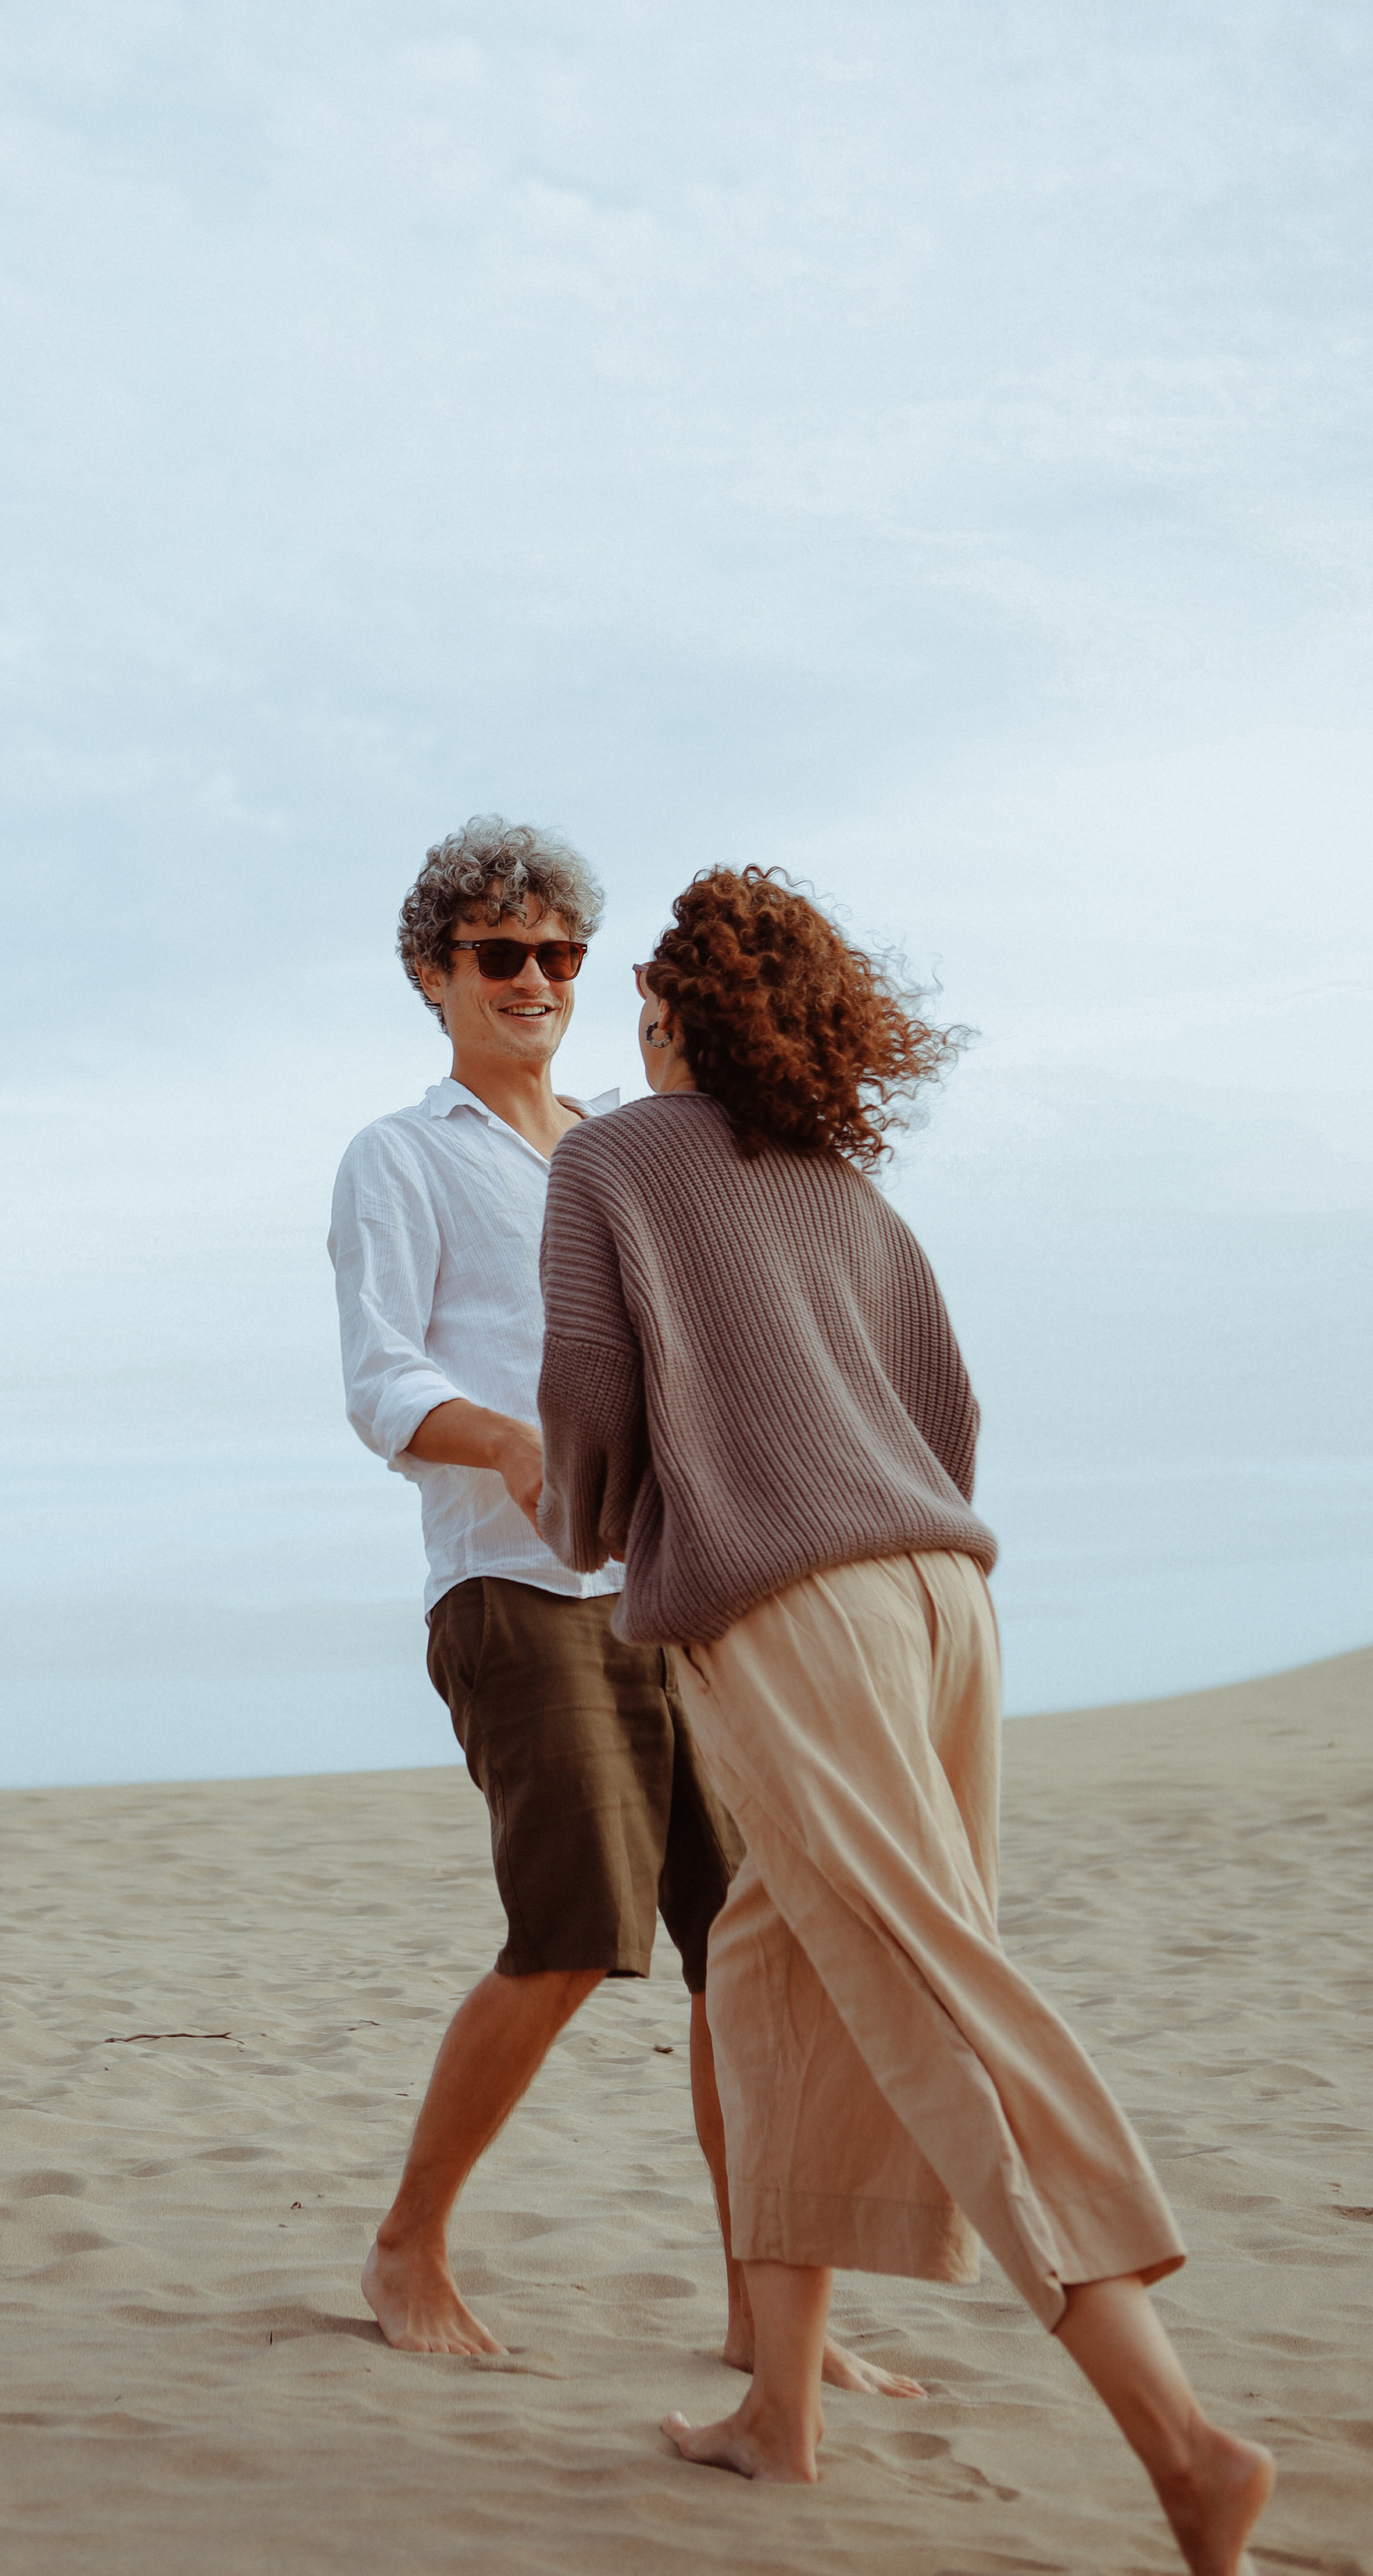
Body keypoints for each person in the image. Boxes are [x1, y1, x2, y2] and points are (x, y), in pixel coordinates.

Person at [534, 864, 1274, 2575]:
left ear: (672, 1014)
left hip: (797, 1615)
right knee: (767, 1982)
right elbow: (949, 1405)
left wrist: (590, 1521)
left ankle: (1180, 2443)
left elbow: (583, 1390)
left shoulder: (609, 1158)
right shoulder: (846, 1189)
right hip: (937, 1597)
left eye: (640, 1002)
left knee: (929, 1987)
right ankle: (773, 2423)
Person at [329, 815, 920, 2399]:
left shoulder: (621, 1144)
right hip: (515, 1591)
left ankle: (766, 2324)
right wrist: (509, 1443)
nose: (532, 979)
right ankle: (406, 2243)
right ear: (431, 974)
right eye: (497, 955)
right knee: (574, 1927)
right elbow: (380, 1382)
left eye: (557, 955)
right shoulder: (399, 1155)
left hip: (677, 1593)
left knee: (749, 1963)